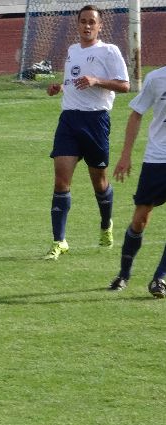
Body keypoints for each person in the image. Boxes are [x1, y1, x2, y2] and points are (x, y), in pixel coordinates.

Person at [41, 5, 129, 261]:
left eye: (92, 22)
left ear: (100, 26)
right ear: (77, 24)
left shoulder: (109, 51)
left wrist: (96, 81)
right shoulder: (72, 50)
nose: (87, 26)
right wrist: (59, 87)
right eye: (83, 21)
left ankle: (106, 224)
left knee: (99, 182)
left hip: (96, 122)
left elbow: (125, 86)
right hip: (69, 120)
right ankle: (59, 241)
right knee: (61, 181)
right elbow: (73, 81)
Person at [106, 65, 166, 297]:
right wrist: (125, 155)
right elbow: (136, 114)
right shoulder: (156, 78)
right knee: (140, 220)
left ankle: (160, 278)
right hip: (156, 160)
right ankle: (124, 274)